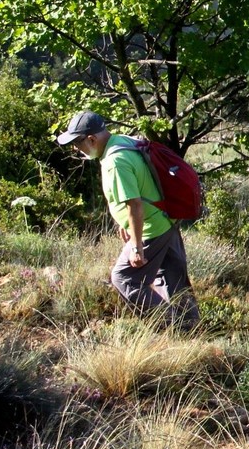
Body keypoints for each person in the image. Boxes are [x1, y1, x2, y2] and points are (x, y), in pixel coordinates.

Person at [57, 111, 199, 331]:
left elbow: (134, 204)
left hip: (151, 228)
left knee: (124, 278)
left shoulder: (115, 162)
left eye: (77, 143)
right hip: (166, 219)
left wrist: (136, 245)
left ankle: (172, 327)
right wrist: (124, 224)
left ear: (91, 139)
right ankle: (191, 327)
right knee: (173, 276)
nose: (76, 149)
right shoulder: (124, 141)